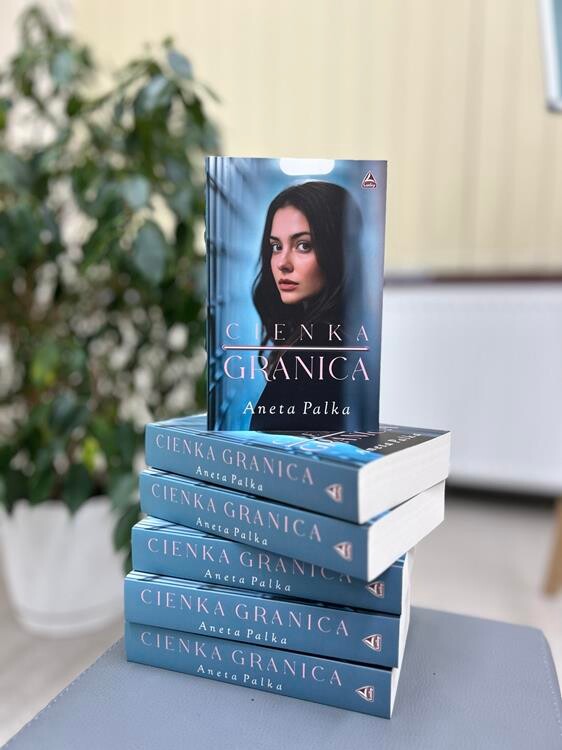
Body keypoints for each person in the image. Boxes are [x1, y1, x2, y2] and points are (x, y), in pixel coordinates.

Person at [250, 181, 363, 430]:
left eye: (303, 245)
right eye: (276, 246)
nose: (283, 263)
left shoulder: (316, 346)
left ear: (337, 250)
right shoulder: (337, 333)